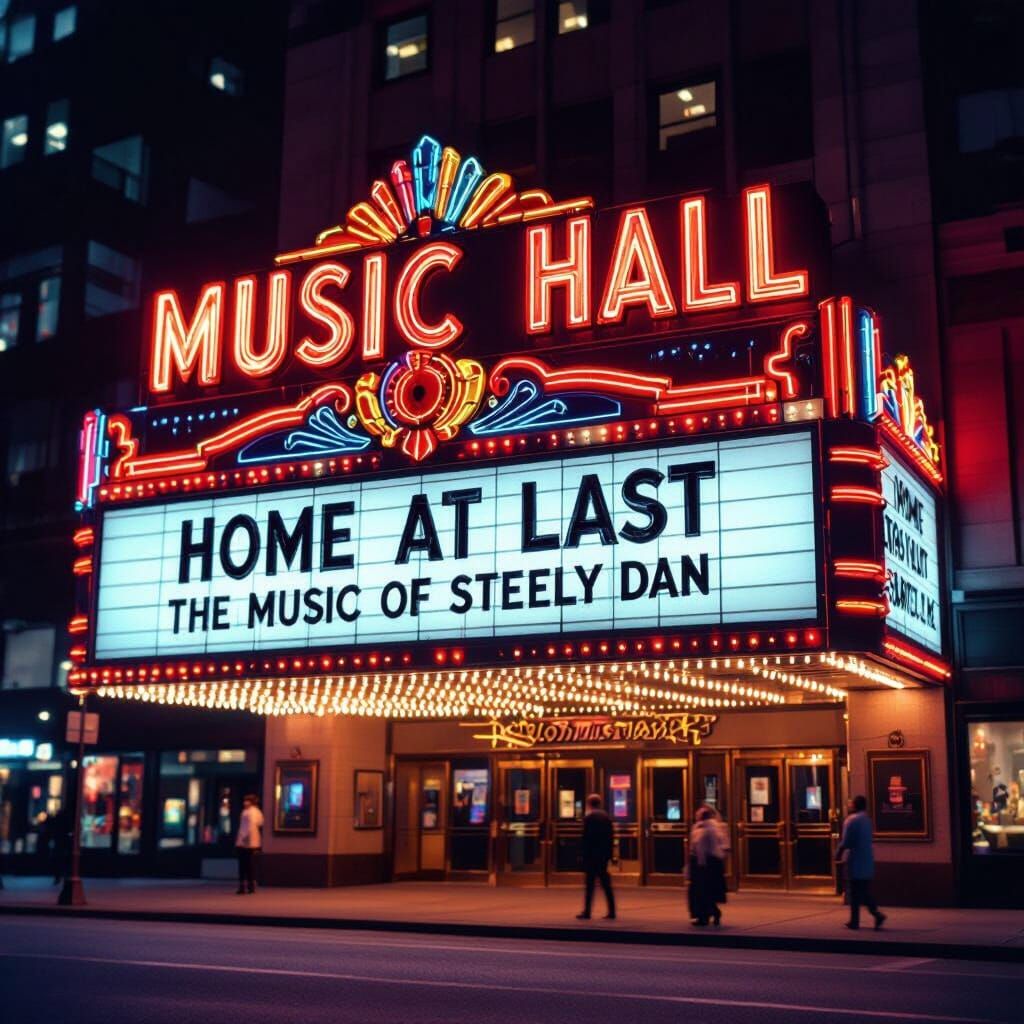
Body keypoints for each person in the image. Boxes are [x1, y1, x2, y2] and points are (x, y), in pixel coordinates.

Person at [835, 794, 886, 930]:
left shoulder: (851, 820)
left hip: (855, 860)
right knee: (862, 891)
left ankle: (862, 918)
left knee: (856, 892)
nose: (850, 805)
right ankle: (864, 917)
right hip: (867, 860)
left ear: (856, 805)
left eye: (852, 803)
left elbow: (846, 842)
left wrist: (838, 854)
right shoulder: (867, 820)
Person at [576, 793, 616, 921]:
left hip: (592, 855)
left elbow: (586, 838)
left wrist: (583, 854)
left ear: (589, 804)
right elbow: (610, 837)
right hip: (603, 855)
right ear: (599, 803)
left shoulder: (589, 818)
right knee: (606, 884)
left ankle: (587, 911)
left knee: (590, 885)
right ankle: (612, 910)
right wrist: (609, 854)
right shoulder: (606, 817)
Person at [688, 806, 726, 926]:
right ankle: (713, 913)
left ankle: (704, 916)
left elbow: (700, 848)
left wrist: (699, 865)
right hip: (712, 863)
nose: (696, 816)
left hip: (704, 864)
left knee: (701, 891)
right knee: (707, 891)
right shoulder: (715, 827)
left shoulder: (704, 829)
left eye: (698, 814)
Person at [235, 793, 264, 894]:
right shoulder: (258, 812)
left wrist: (242, 838)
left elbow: (248, 827)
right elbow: (260, 823)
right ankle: (251, 886)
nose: (245, 802)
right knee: (250, 865)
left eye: (246, 800)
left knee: (243, 865)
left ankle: (243, 886)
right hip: (254, 843)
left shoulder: (247, 812)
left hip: (245, 843)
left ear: (250, 802)